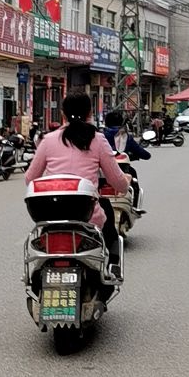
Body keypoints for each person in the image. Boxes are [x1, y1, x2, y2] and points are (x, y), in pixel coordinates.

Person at [24, 92, 131, 271]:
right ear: (90, 113)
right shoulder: (97, 139)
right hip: (88, 216)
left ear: (63, 114)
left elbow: (30, 178)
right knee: (110, 226)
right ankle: (112, 270)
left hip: (50, 215)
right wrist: (125, 183)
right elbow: (116, 181)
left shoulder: (48, 140)